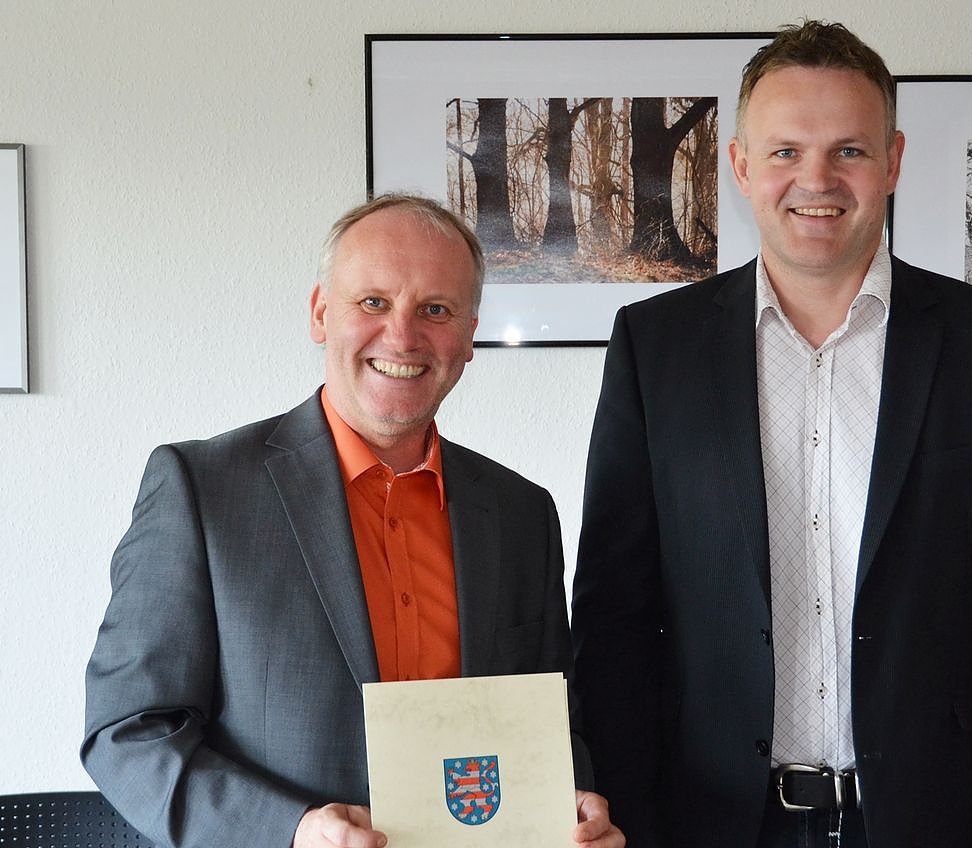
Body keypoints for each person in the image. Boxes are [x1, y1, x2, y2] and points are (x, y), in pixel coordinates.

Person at [571, 20, 972, 848]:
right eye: (786, 151)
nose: (816, 179)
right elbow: (612, 621)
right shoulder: (654, 346)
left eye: (849, 150)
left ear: (893, 161)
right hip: (710, 821)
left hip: (930, 822)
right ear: (742, 165)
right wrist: (620, 815)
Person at [83, 194, 623, 848]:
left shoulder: (521, 514)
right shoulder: (202, 489)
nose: (402, 336)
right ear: (320, 313)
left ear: (469, 336)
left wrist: (573, 804)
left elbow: (550, 724)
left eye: (436, 310)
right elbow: (127, 733)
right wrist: (293, 830)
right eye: (373, 302)